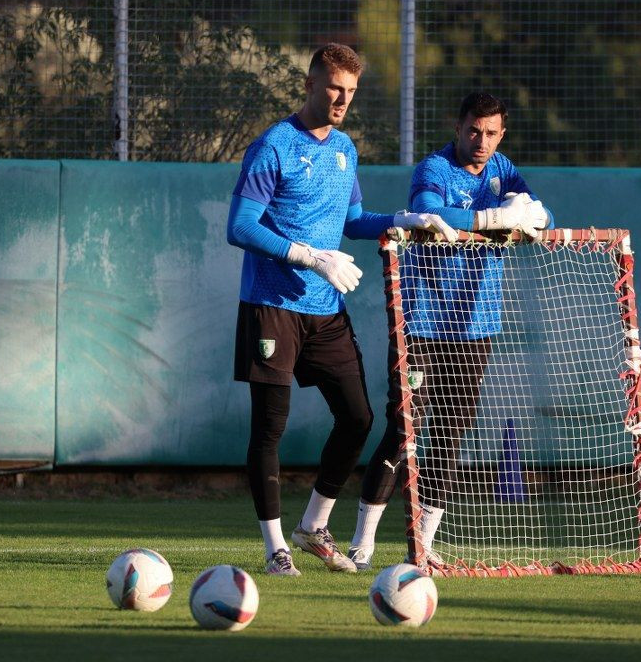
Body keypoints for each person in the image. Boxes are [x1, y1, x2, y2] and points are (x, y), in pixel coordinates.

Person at [226, 43, 457, 577]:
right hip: (271, 305)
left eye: (350, 92)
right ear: (309, 84)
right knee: (270, 429)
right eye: (333, 87)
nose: (341, 99)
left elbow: (352, 219)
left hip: (325, 307)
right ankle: (274, 546)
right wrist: (308, 255)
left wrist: (404, 220)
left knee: (358, 418)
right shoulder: (272, 147)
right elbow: (239, 227)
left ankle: (313, 525)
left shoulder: (346, 149)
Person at [347, 92, 553, 570]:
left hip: (477, 328)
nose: (481, 142)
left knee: (450, 436)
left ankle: (423, 545)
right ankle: (363, 543)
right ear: (457, 128)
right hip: (422, 323)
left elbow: (544, 215)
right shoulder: (434, 169)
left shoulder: (504, 168)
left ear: (502, 134)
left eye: (491, 133)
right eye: (473, 131)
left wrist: (534, 213)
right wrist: (494, 218)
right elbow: (432, 216)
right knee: (404, 430)